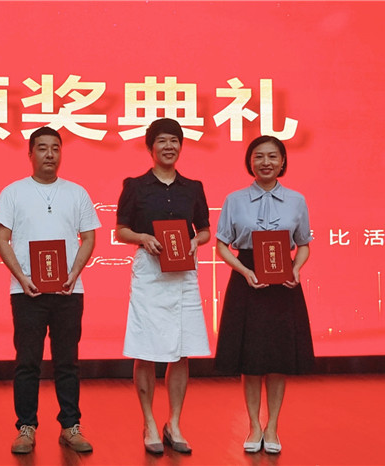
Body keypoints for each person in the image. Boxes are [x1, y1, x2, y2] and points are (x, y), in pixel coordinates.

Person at [0, 127, 101, 454]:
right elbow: (0, 238)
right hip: (27, 292)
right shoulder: (13, 192)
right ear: (30, 154)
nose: (50, 154)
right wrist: (21, 277)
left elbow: (89, 238)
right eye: (42, 148)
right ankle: (26, 427)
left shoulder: (77, 192)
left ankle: (70, 425)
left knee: (68, 361)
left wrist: (73, 273)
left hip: (69, 291)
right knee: (27, 362)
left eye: (55, 148)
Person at [115, 118, 211, 455]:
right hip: (150, 272)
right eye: (162, 140)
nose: (169, 146)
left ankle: (174, 422)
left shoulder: (193, 187)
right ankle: (149, 423)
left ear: (181, 145)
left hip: (183, 272)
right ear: (150, 147)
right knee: (146, 349)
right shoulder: (135, 186)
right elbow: (121, 230)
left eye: (174, 140)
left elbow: (204, 229)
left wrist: (196, 241)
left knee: (181, 349)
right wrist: (143, 237)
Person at [214, 135, 314, 455]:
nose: (266, 162)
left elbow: (304, 243)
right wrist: (244, 271)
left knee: (278, 357)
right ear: (250, 162)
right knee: (251, 357)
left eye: (272, 156)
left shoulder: (297, 200)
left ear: (283, 162)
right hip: (247, 277)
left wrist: (296, 269)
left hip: (283, 283)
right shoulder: (234, 199)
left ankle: (272, 426)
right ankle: (254, 425)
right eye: (259, 156)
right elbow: (221, 245)